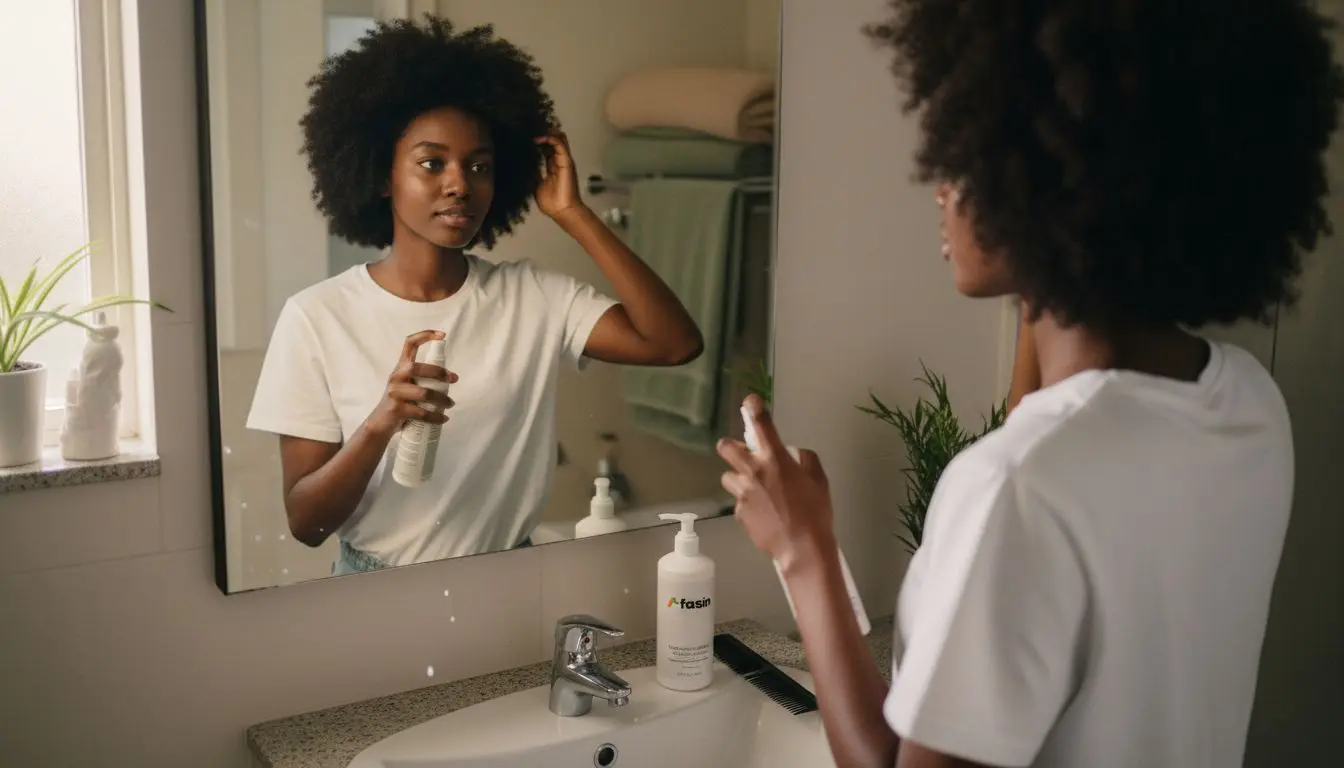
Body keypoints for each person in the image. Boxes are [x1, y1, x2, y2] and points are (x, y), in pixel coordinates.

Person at [717, 1, 1343, 766]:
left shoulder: (1015, 490)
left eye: (965, 150)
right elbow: (1052, 429)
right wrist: (1045, 275)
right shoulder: (1246, 402)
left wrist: (803, 553)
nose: (940, 186)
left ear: (1042, 175)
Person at [246, 16, 702, 574]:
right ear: (382, 174)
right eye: (431, 163)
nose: (459, 183)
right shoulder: (316, 317)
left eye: (479, 166)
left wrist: (573, 214)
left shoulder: (533, 297)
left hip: (508, 584)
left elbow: (674, 344)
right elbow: (306, 524)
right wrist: (381, 423)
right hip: (372, 593)